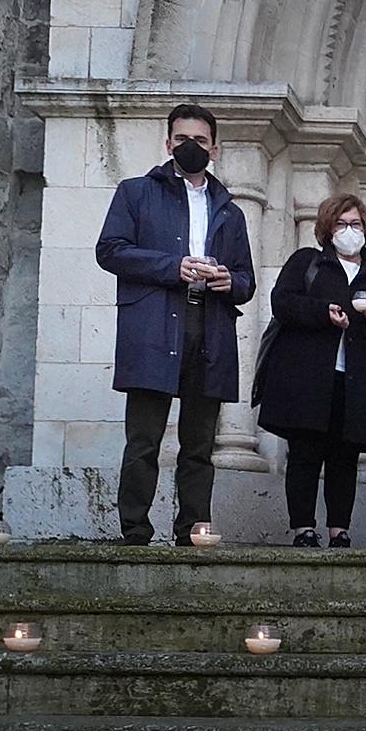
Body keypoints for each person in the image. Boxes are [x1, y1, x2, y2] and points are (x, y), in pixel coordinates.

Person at [94, 102, 256, 545]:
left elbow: (247, 280)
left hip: (210, 327)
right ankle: (135, 533)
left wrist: (229, 280)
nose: (191, 147)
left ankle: (193, 533)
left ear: (214, 150)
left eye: (200, 141)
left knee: (200, 445)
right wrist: (173, 266)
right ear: (168, 144)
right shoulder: (135, 192)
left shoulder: (231, 211)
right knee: (144, 439)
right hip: (153, 326)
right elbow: (110, 250)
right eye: (183, 139)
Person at [253, 195, 366, 546]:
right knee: (304, 453)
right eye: (341, 224)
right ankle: (303, 529)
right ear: (327, 228)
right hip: (307, 378)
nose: (349, 231)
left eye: (355, 224)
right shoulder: (307, 263)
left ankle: (340, 530)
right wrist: (323, 312)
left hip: (357, 382)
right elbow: (282, 303)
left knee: (345, 457)